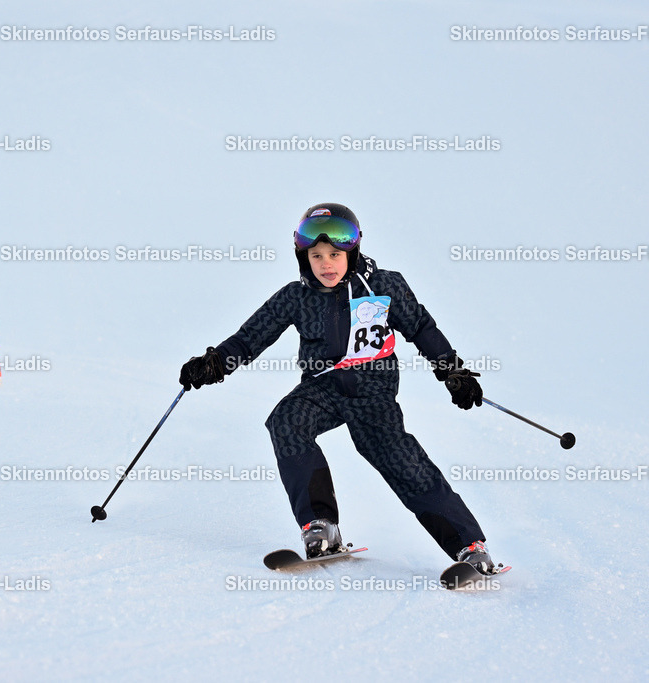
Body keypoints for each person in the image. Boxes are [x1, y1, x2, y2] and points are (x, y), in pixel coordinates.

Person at [179, 203, 497, 573]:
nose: (326, 264)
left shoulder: (383, 286)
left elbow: (422, 329)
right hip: (323, 388)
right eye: (316, 256)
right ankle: (320, 526)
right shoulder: (295, 297)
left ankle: (471, 547)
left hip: (373, 392)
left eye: (334, 254)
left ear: (353, 251)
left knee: (402, 463)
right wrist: (215, 363)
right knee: (286, 421)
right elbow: (250, 338)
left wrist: (453, 372)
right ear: (304, 257)